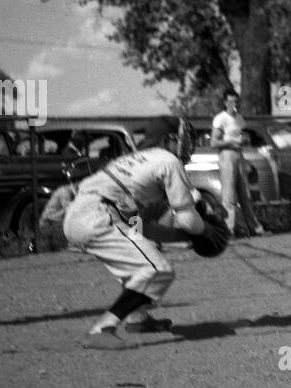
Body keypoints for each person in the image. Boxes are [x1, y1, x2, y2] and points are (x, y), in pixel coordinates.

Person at [62, 116, 205, 349]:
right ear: (169, 140)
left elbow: (140, 226)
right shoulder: (169, 160)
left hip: (80, 215)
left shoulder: (133, 161)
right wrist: (204, 231)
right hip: (98, 214)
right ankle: (101, 329)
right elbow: (189, 220)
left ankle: (138, 319)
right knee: (157, 270)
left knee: (139, 262)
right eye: (182, 139)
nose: (188, 145)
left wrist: (181, 237)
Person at [209, 90, 263, 237]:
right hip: (227, 155)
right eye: (231, 101)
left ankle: (254, 227)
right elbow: (214, 142)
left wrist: (243, 140)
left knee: (244, 194)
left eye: (236, 101)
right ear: (225, 102)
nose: (234, 104)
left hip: (239, 155)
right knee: (229, 195)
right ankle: (228, 229)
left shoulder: (239, 118)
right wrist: (232, 143)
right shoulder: (220, 118)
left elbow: (241, 135)